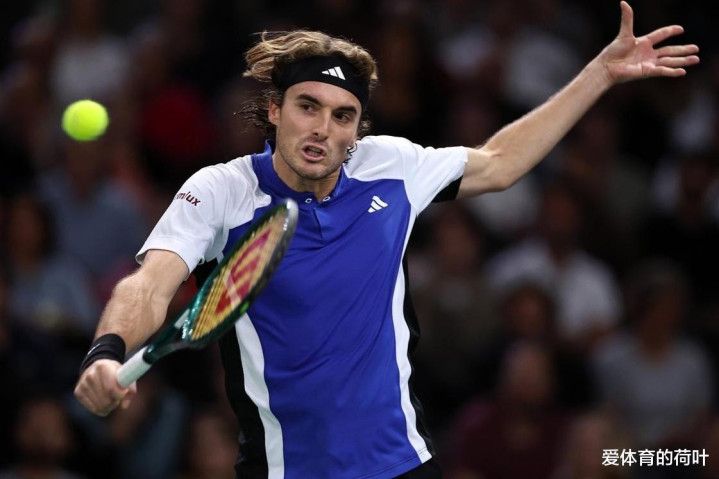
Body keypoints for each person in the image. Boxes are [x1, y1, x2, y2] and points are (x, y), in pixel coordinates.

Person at [74, 3, 700, 478]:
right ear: (274, 110)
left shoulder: (391, 166)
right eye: (307, 106)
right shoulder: (221, 190)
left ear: (358, 130)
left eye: (342, 115)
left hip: (403, 462)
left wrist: (598, 74)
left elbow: (500, 162)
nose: (322, 128)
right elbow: (150, 284)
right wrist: (106, 352)